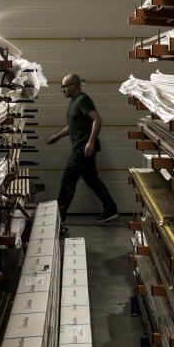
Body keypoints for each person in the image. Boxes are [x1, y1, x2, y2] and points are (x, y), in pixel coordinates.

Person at [46, 73, 119, 235]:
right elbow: (73, 125)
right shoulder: (74, 102)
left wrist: (90, 142)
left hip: (83, 149)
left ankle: (59, 218)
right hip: (82, 149)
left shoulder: (83, 100)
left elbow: (96, 120)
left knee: (68, 181)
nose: (62, 90)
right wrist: (57, 136)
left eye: (65, 86)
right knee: (93, 181)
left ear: (74, 85)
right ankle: (111, 209)